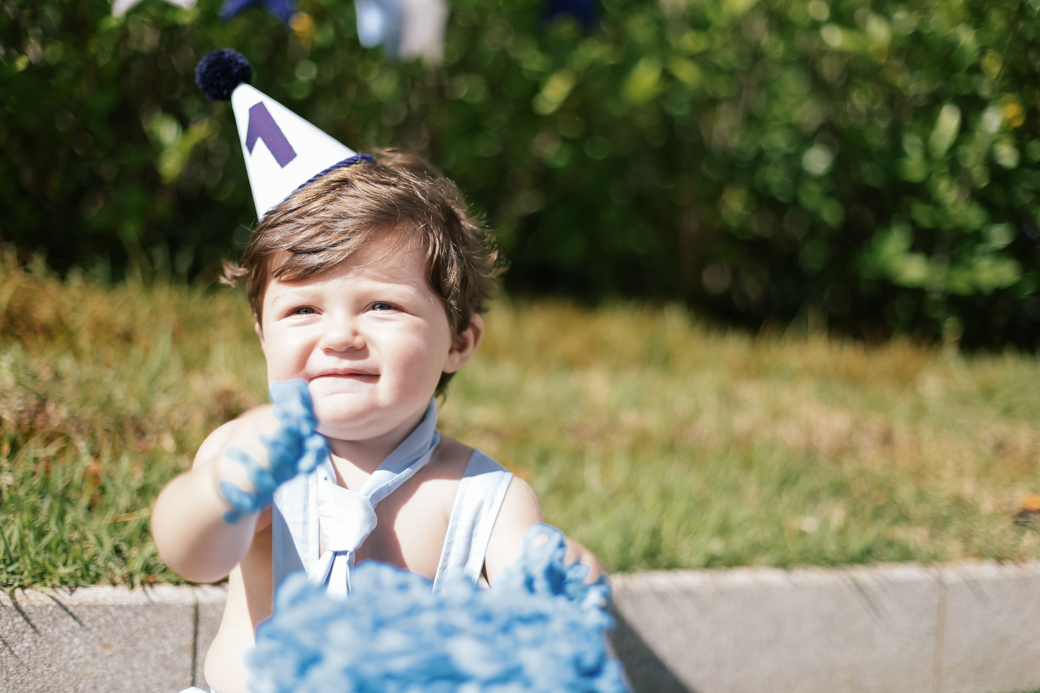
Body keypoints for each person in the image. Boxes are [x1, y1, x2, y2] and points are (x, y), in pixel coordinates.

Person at [151, 149, 605, 693]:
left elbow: (531, 581)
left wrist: (559, 583)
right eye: (303, 310)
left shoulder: (481, 492)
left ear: (459, 342)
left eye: (382, 306)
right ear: (262, 333)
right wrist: (220, 493)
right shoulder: (256, 448)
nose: (340, 335)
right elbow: (193, 557)